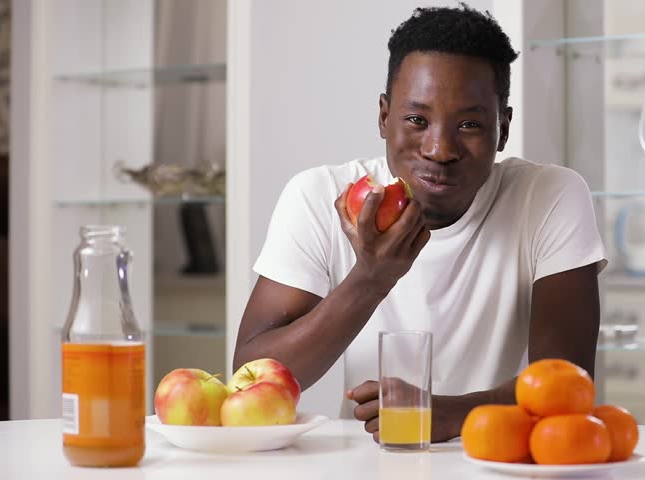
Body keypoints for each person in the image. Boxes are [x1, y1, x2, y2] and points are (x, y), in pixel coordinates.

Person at [233, 4, 606, 443]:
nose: (439, 148)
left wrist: (449, 414)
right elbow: (252, 378)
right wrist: (370, 279)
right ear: (383, 117)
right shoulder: (319, 195)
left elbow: (567, 383)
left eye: (469, 124)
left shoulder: (549, 196)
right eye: (416, 119)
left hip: (498, 455)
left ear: (502, 129)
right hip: (371, 459)